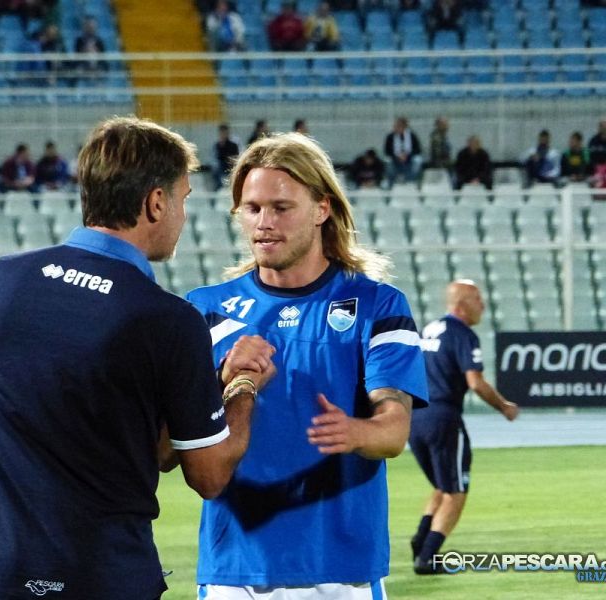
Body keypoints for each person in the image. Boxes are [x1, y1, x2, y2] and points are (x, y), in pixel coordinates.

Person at [0, 116, 277, 600]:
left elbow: (104, 410)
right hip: (99, 577)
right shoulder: (167, 320)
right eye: (182, 199)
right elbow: (208, 474)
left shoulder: (7, 280)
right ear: (155, 202)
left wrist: (206, 382)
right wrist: (243, 385)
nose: (183, 217)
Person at [186, 133, 428, 599]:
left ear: (322, 209)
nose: (263, 223)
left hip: (341, 572)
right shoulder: (205, 311)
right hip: (236, 570)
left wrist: (356, 432)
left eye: (281, 207)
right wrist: (225, 382)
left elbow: (394, 430)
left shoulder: (379, 305)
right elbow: (179, 446)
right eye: (251, 208)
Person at [409, 279, 519, 575]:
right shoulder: (463, 334)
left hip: (415, 418)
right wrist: (504, 407)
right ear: (461, 304)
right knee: (457, 491)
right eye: (477, 298)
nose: (483, 305)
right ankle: (427, 557)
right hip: (444, 418)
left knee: (442, 486)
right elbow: (475, 382)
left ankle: (420, 541)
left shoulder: (427, 331)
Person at [384, 115, 423, 186]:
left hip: (409, 158)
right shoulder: (390, 137)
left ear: (404, 127)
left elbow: (418, 149)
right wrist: (398, 156)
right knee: (388, 162)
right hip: (395, 159)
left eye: (398, 126)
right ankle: (390, 184)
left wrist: (406, 155)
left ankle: (411, 182)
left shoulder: (411, 136)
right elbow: (387, 151)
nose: (396, 127)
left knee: (417, 160)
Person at [213, 123, 241, 189]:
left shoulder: (233, 145)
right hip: (222, 165)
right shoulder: (217, 145)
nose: (223, 134)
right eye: (221, 132)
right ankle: (218, 188)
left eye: (224, 132)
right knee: (216, 172)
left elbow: (236, 156)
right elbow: (217, 157)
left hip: (231, 164)